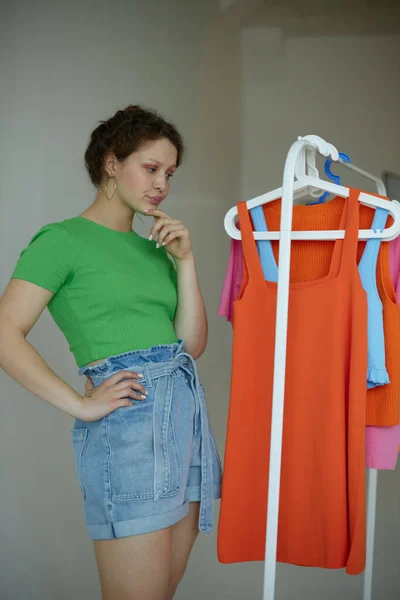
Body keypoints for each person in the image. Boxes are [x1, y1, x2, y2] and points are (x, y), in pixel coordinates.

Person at [0, 104, 222, 600]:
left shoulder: (156, 249)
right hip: (131, 427)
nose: (162, 183)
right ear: (111, 163)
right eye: (150, 168)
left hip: (185, 420)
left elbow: (192, 346)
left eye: (170, 173)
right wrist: (81, 405)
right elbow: (4, 332)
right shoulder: (62, 241)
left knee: (160, 592)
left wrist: (184, 262)